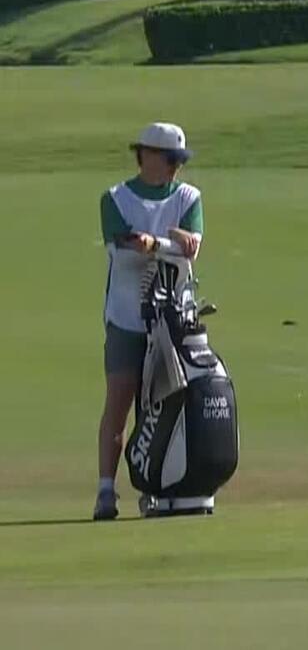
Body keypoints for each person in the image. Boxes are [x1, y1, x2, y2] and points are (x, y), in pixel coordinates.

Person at [95, 123, 203, 521]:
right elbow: (122, 251)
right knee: (119, 403)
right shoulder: (116, 199)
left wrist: (155, 244)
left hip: (173, 322)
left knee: (163, 409)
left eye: (180, 161)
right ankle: (106, 490)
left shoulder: (189, 197)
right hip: (126, 317)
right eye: (171, 159)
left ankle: (156, 487)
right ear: (148, 156)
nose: (176, 168)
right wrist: (168, 243)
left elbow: (191, 250)